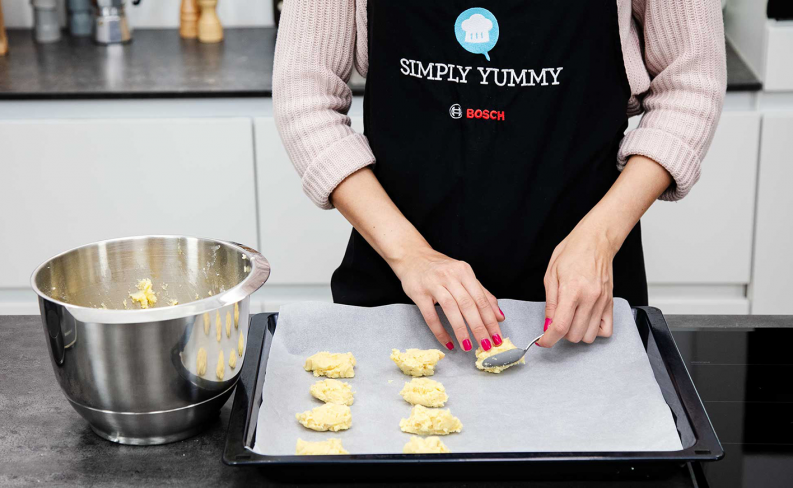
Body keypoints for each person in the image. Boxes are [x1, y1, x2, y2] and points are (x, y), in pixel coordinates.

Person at [273, 0, 726, 352]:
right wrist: (410, 255)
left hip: (578, 291)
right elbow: (305, 96)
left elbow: (690, 84)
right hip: (398, 281)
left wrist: (600, 239)